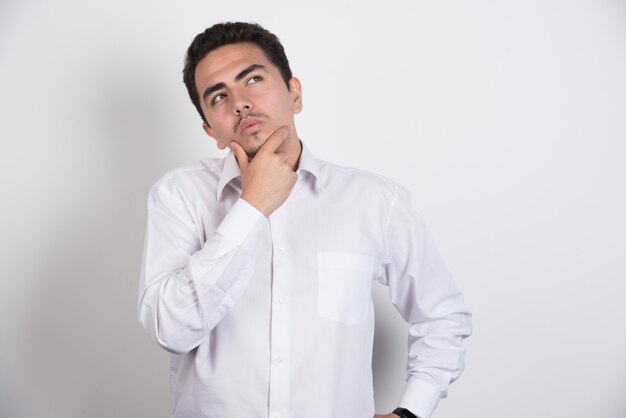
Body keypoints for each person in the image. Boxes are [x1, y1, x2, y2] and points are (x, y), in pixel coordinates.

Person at [138, 21, 472, 418]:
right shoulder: (178, 196)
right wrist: (253, 206)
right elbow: (171, 330)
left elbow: (443, 316)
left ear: (294, 94)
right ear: (212, 130)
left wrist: (411, 411)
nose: (240, 102)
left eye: (253, 79)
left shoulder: (375, 201)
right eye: (218, 97)